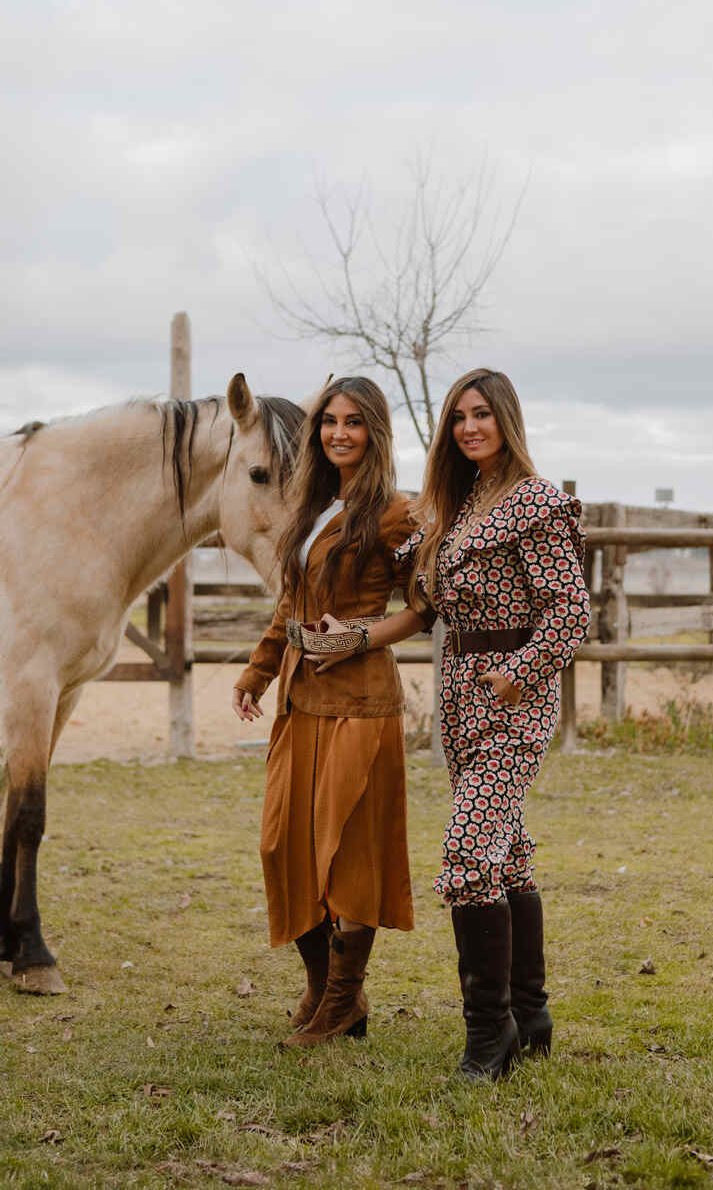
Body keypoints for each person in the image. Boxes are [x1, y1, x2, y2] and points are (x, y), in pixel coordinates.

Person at [314, 368, 590, 1079]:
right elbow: (418, 596)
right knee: (506, 851)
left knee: (468, 858)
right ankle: (531, 1015)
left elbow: (570, 609)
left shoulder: (535, 504)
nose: (470, 427)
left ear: (507, 420)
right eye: (459, 417)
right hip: (458, 696)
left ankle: (486, 1035)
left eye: (482, 415)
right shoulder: (454, 508)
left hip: (512, 699)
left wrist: (522, 672)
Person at [231, 376, 430, 1048]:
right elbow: (290, 601)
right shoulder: (309, 506)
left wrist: (361, 634)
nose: (339, 433)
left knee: (347, 855)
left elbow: (424, 606)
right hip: (299, 697)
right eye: (329, 423)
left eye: (354, 423)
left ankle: (341, 1001)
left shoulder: (398, 514)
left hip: (361, 701)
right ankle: (325, 990)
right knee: (283, 847)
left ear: (375, 432)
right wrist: (258, 671)